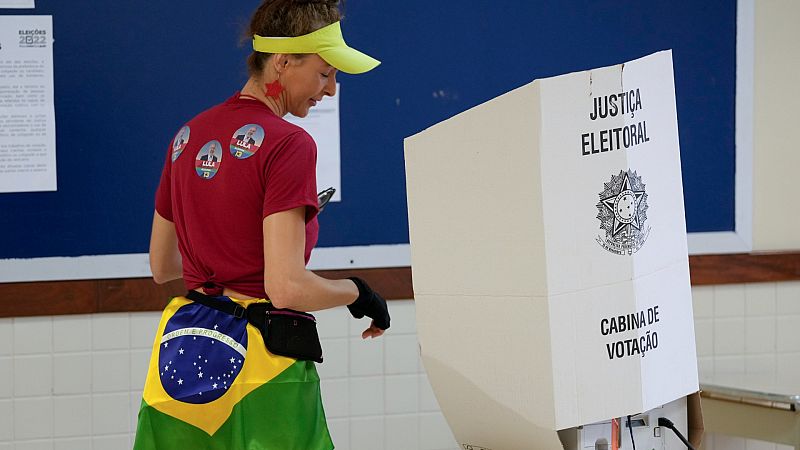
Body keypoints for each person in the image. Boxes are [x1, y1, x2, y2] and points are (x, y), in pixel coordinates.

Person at [134, 1, 389, 448]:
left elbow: (163, 265)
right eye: (325, 74)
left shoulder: (186, 137)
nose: (329, 91)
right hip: (263, 369)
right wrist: (359, 291)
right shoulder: (289, 144)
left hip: (184, 355)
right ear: (283, 61)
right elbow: (288, 288)